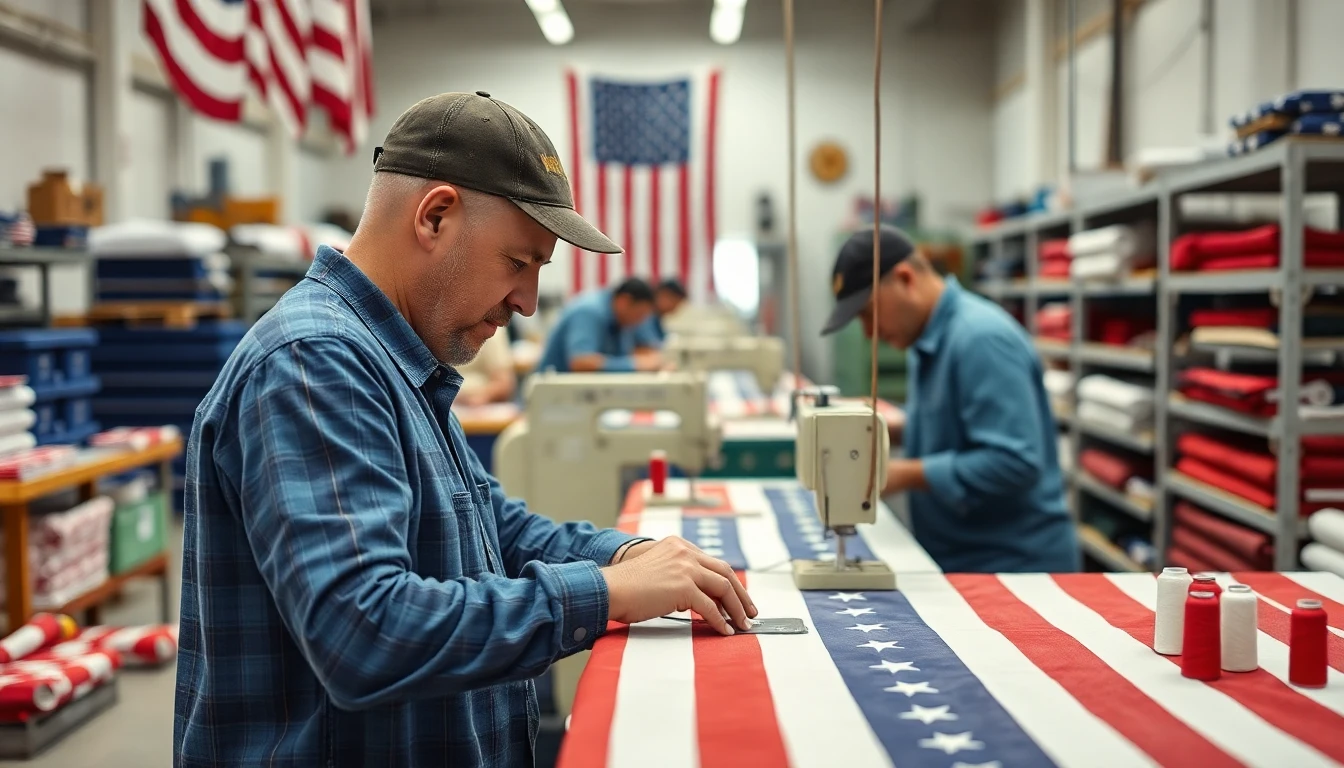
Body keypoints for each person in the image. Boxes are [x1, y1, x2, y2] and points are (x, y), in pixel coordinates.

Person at [174, 91, 756, 767]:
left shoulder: (394, 359)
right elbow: (362, 632)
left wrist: (624, 557)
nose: (528, 302)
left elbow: (489, 528)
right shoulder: (314, 362)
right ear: (436, 216)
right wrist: (604, 595)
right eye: (520, 262)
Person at [821, 225, 1079, 574]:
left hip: (1015, 569)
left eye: (868, 313)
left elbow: (1015, 461)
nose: (868, 333)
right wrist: (891, 429)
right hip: (965, 558)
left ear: (905, 279)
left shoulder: (980, 340)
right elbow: (957, 424)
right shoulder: (925, 339)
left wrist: (901, 474)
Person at [534, 277, 663, 372]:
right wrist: (635, 364)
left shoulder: (620, 318)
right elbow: (580, 362)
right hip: (555, 398)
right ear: (625, 301)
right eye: (639, 315)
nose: (640, 322)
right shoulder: (589, 312)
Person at [454, 324, 515, 405]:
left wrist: (480, 397)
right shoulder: (439, 329)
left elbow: (504, 384)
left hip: (476, 407)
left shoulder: (492, 330)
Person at [633, 277, 689, 348]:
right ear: (664, 295)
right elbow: (649, 345)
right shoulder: (645, 315)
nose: (676, 309)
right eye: (676, 303)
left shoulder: (657, 318)